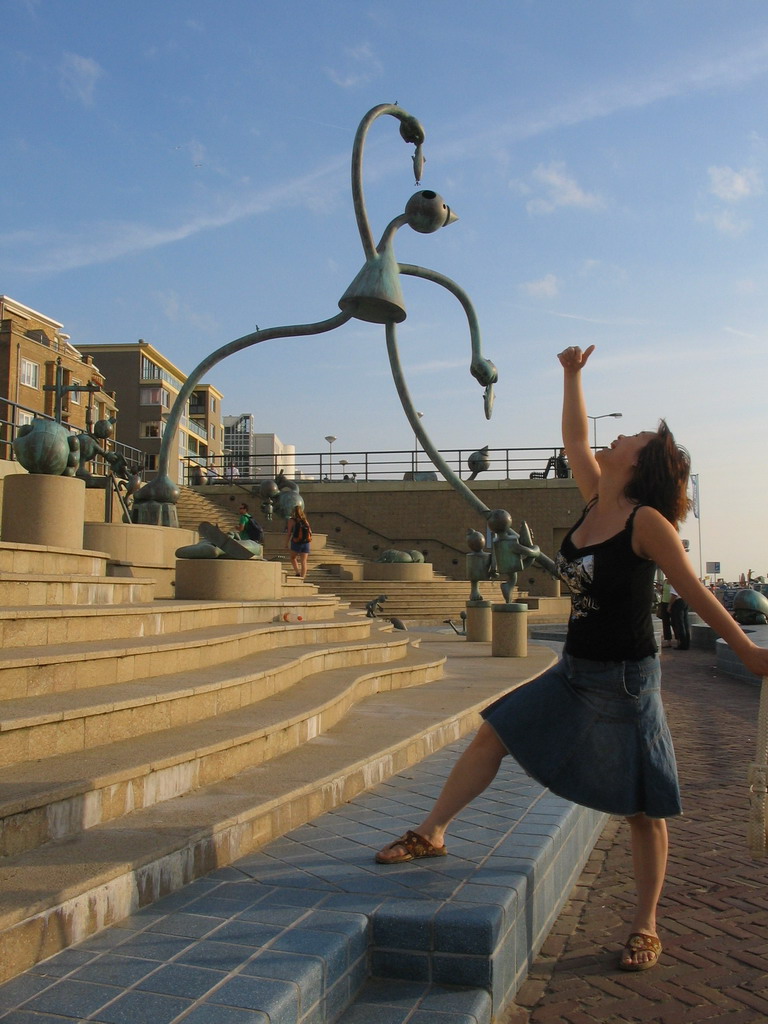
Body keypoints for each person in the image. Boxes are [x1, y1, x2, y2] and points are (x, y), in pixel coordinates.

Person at [375, 344, 768, 973]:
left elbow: (694, 592)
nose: (620, 436)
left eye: (633, 437)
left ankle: (644, 922)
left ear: (641, 468)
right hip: (574, 673)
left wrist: (748, 650)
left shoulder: (647, 524)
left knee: (645, 808)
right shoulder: (593, 496)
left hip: (627, 684)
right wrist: (571, 376)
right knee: (494, 731)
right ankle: (434, 831)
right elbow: (575, 435)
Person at [285, 504, 312, 578]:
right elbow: (310, 532)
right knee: (304, 561)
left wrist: (286, 543)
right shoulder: (305, 520)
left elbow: (289, 533)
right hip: (306, 543)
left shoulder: (291, 520)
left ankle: (297, 572)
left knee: (293, 557)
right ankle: (302, 577)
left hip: (296, 542)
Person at [668, 584, 690, 650]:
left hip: (678, 602)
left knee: (680, 623)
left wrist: (670, 605)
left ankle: (683, 644)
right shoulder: (683, 581)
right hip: (685, 600)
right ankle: (687, 642)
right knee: (685, 623)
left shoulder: (674, 582)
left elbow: (674, 595)